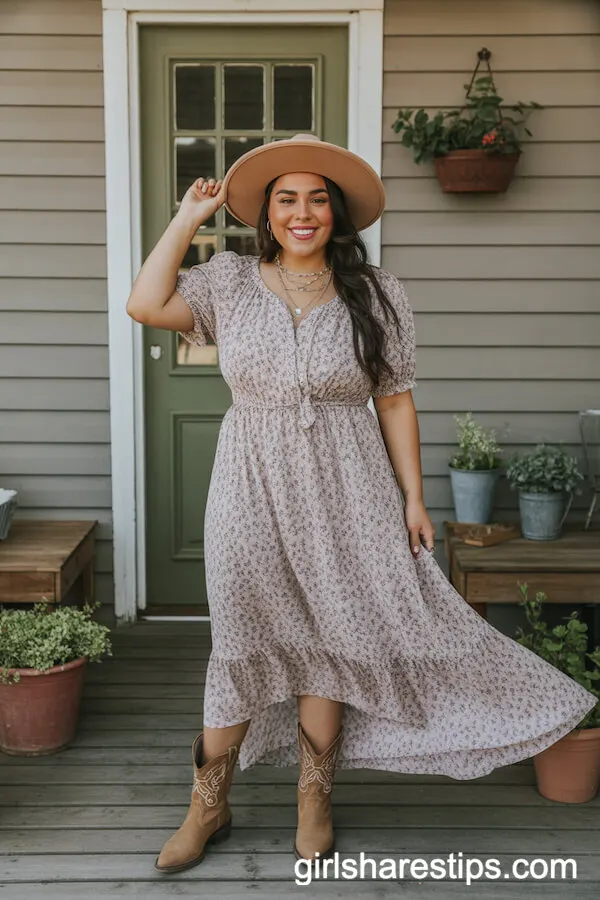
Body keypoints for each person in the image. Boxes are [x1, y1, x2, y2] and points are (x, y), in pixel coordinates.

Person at [126, 134, 597, 875]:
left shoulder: (376, 293)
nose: (302, 213)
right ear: (268, 214)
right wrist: (188, 217)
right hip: (250, 487)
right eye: (287, 199)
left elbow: (396, 400)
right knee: (241, 635)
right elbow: (144, 303)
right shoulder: (230, 281)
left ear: (337, 214)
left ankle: (314, 796)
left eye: (317, 199)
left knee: (333, 635)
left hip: (351, 489)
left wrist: (414, 498)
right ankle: (207, 803)